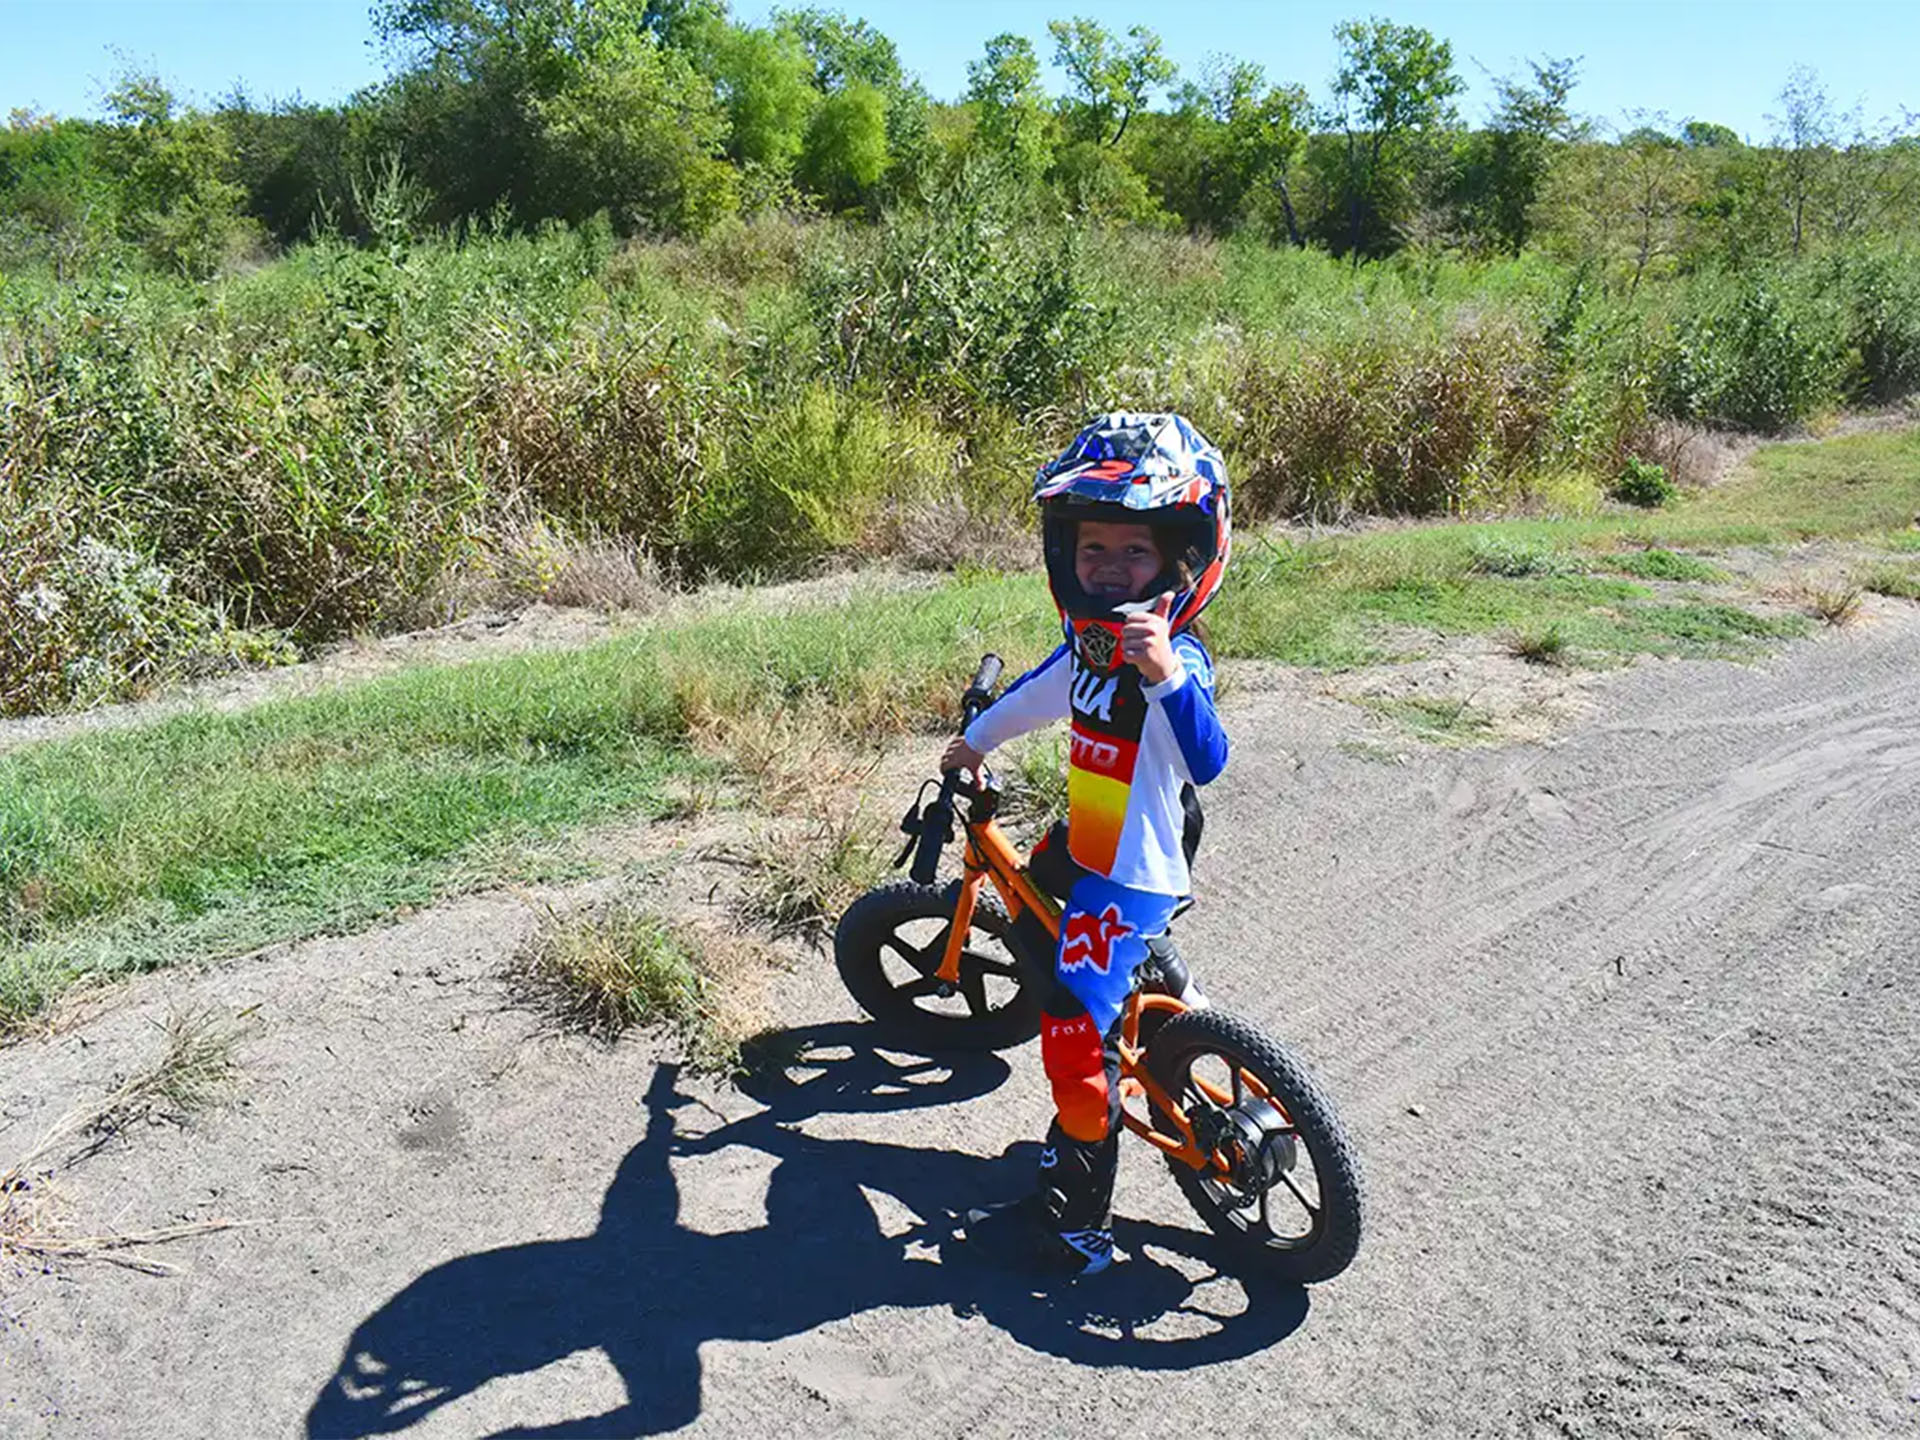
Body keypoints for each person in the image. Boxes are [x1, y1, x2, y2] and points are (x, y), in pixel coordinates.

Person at [940, 412, 1232, 1278]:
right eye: (1091, 549)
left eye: (1135, 553)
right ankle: (1159, 980)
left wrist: (1165, 676)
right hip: (1094, 833)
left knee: (1070, 1033)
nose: (1109, 569)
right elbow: (1039, 694)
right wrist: (977, 742)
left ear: (1182, 558)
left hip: (1134, 859)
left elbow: (1207, 760)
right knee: (1036, 898)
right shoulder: (1087, 648)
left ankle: (1078, 1224)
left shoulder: (1173, 656)